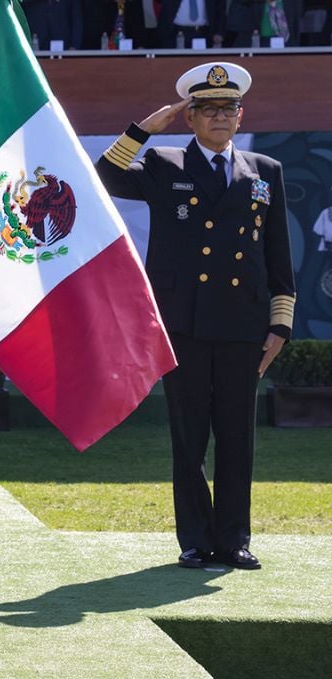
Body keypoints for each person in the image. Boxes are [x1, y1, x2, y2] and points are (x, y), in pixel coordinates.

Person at [95, 62, 295, 570]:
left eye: (228, 109)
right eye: (208, 109)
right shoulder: (164, 164)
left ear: (241, 114)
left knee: (237, 438)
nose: (220, 117)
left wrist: (280, 325)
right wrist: (144, 128)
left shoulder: (264, 171)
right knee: (189, 439)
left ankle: (233, 540)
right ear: (192, 119)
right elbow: (106, 176)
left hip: (243, 328)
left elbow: (278, 256)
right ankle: (195, 540)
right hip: (181, 325)